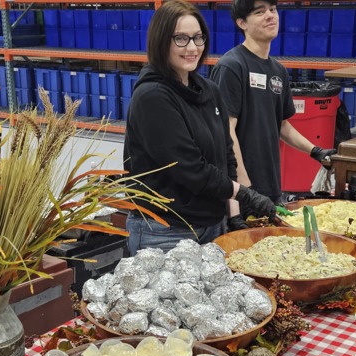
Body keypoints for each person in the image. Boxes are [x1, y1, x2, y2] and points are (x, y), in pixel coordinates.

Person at [123, 0, 276, 256]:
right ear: (161, 41)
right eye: (180, 39)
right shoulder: (153, 97)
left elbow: (225, 156)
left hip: (213, 225)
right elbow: (190, 169)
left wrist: (234, 214)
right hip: (166, 233)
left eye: (198, 38)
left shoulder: (209, 91)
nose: (192, 47)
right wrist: (245, 195)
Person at [210, 0, 335, 230]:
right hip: (242, 192)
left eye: (273, 10)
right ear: (242, 23)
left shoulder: (277, 70)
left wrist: (315, 151)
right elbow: (225, 132)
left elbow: (282, 125)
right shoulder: (232, 66)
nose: (270, 16)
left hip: (271, 187)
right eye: (259, 12)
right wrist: (243, 185)